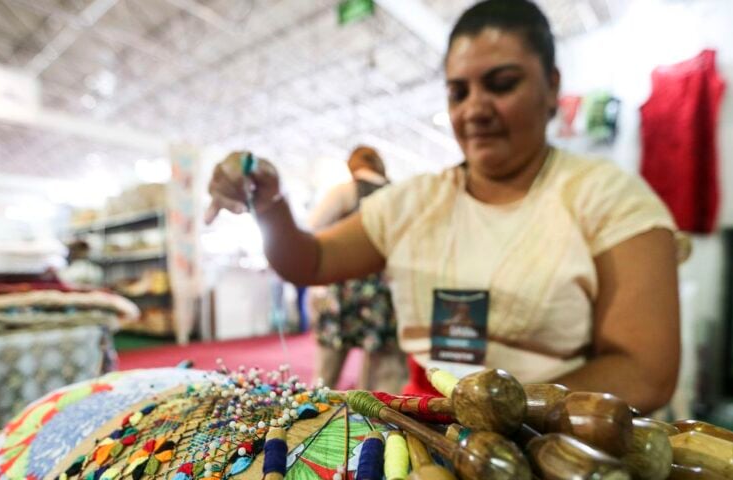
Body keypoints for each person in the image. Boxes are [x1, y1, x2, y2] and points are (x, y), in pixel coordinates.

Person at [205, 0, 681, 413]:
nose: (475, 108)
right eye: (459, 92)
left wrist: (498, 414)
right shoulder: (414, 202)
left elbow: (644, 371)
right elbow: (310, 259)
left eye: (501, 83)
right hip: (426, 431)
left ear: (552, 86)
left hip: (557, 440)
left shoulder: (612, 200)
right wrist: (269, 205)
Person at [305, 146, 407, 393]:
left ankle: (312, 417)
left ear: (352, 166)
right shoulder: (398, 195)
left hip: (343, 290)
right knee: (384, 376)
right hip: (385, 294)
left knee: (326, 372)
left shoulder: (345, 190)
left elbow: (312, 229)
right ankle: (377, 427)